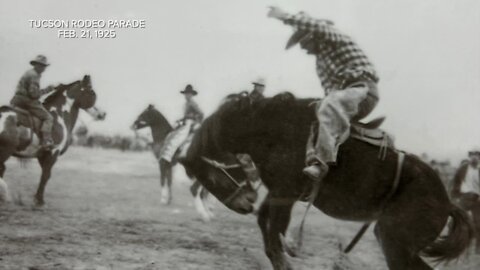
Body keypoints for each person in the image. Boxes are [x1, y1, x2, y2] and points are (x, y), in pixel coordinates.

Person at [268, 7, 380, 182]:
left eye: (304, 42)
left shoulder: (335, 39)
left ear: (314, 35)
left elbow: (317, 26)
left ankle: (322, 162)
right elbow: (329, 91)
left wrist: (284, 16)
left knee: (330, 104)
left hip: (362, 90)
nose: (303, 48)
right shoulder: (320, 64)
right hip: (345, 95)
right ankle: (314, 163)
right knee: (316, 114)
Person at [10, 55, 56, 149]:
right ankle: (46, 141)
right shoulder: (34, 75)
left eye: (44, 66)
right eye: (43, 66)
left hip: (17, 100)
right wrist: (48, 89)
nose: (44, 69)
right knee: (49, 118)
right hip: (27, 101)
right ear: (37, 65)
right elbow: (34, 94)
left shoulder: (29, 73)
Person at [160, 84, 204, 163]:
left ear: (191, 95)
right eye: (186, 94)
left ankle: (170, 155)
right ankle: (171, 153)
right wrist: (180, 119)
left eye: (189, 94)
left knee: (180, 135)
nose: (187, 95)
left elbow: (201, 113)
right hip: (186, 121)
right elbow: (187, 115)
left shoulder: (192, 103)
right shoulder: (187, 103)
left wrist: (195, 122)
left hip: (191, 122)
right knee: (173, 132)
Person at [451, 149, 480, 253]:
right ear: (469, 156)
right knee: (457, 218)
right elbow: (456, 181)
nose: (474, 157)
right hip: (465, 197)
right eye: (472, 155)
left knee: (478, 222)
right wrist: (456, 196)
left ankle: (478, 247)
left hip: (477, 198)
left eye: (477, 155)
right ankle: (455, 244)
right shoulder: (463, 168)